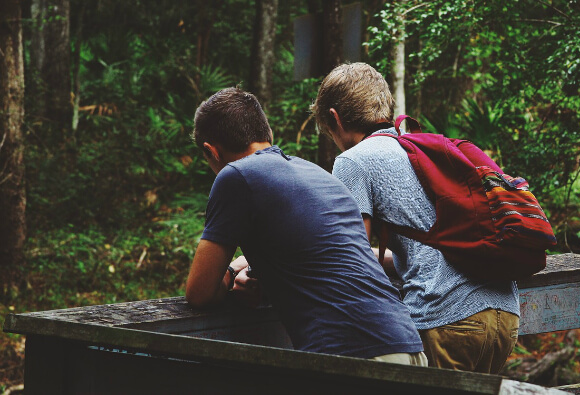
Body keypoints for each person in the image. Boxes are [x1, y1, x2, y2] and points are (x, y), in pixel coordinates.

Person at [185, 87, 426, 365]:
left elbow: (199, 292)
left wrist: (228, 274)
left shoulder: (236, 176)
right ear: (268, 135)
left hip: (353, 352)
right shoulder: (318, 175)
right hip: (408, 344)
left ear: (211, 151)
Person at [310, 63, 520, 373]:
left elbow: (350, 257)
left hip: (447, 318)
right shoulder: (421, 150)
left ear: (335, 119)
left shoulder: (353, 161)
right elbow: (428, 246)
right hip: (505, 315)